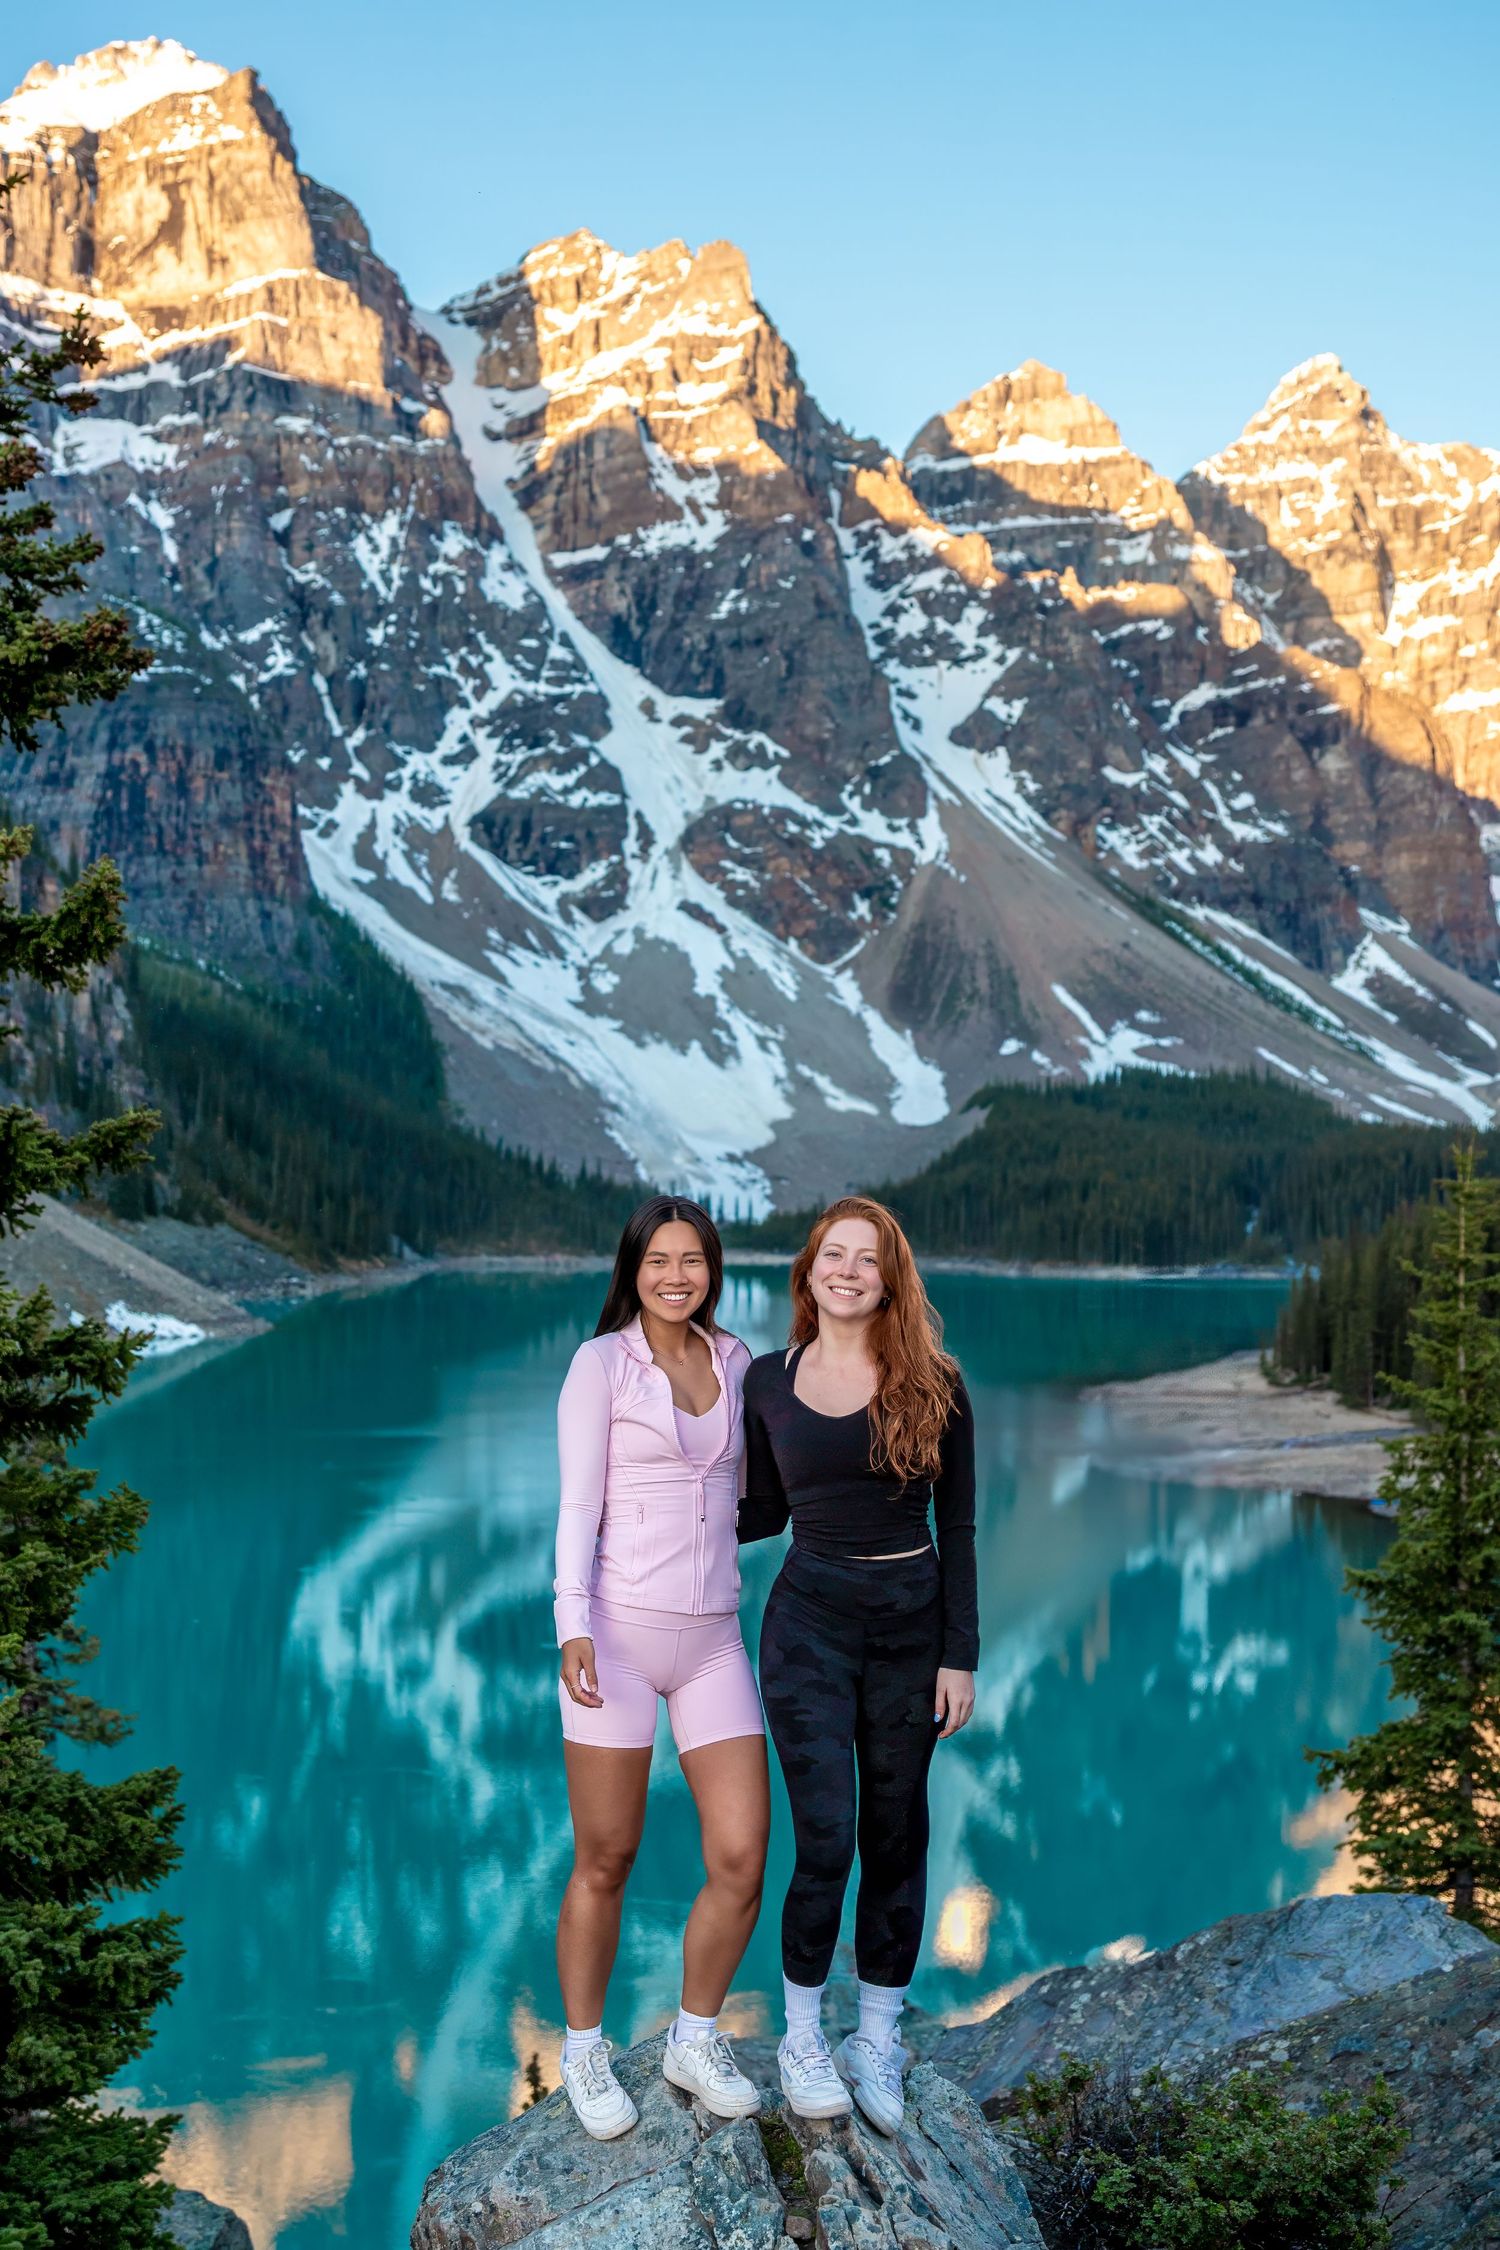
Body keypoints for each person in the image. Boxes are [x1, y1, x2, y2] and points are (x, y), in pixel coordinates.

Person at [740, 1195, 978, 2134]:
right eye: (831, 1255)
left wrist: (960, 1655)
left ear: (890, 1279)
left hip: (911, 1631)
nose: (846, 1270)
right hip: (807, 1627)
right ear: (808, 1271)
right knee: (827, 1838)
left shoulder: (939, 1383)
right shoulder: (766, 1381)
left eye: (866, 1260)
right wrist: (642, 1514)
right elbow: (757, 1512)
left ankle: (877, 2036)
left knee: (897, 1831)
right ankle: (804, 2034)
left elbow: (955, 1527)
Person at [553, 1196, 769, 2139]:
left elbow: (753, 1492)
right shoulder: (600, 1365)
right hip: (617, 1634)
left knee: (741, 1856)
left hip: (715, 1636)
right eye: (658, 1262)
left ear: (712, 1270)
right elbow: (576, 1508)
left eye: (693, 1261)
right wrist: (571, 1624)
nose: (676, 1277)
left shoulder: (738, 1362)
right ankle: (585, 2049)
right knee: (608, 1856)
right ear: (632, 1270)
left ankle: (693, 2035)